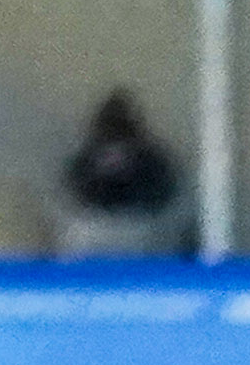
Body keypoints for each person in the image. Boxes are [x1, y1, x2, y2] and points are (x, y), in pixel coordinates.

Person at [55, 87, 194, 258]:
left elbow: (164, 194)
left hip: (142, 229)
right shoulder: (85, 159)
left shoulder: (151, 158)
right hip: (95, 228)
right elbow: (73, 194)